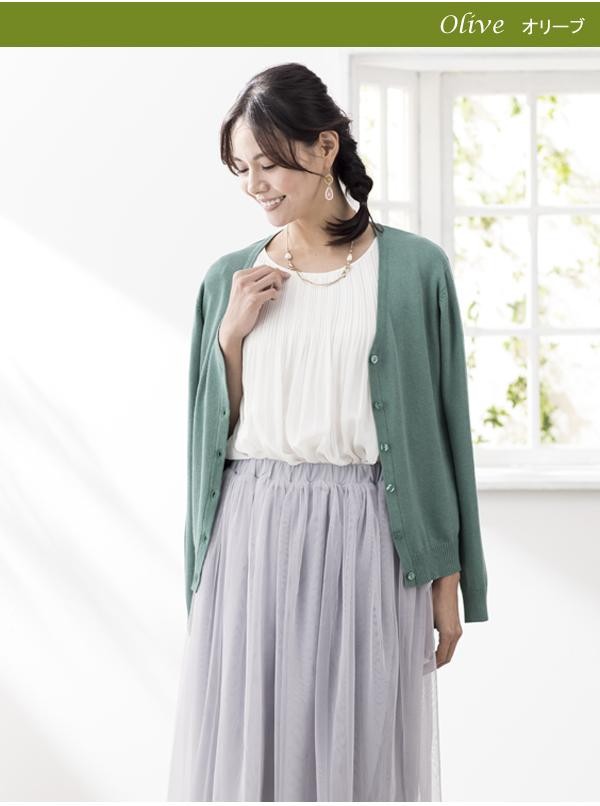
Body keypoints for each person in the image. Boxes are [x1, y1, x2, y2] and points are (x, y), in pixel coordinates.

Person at [167, 61, 488, 802]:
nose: (255, 185)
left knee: (361, 752)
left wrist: (449, 579)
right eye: (241, 168)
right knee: (254, 753)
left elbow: (442, 435)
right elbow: (210, 437)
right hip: (252, 532)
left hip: (371, 533)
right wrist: (231, 337)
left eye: (270, 163)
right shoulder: (229, 279)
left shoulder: (415, 270)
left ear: (325, 147)